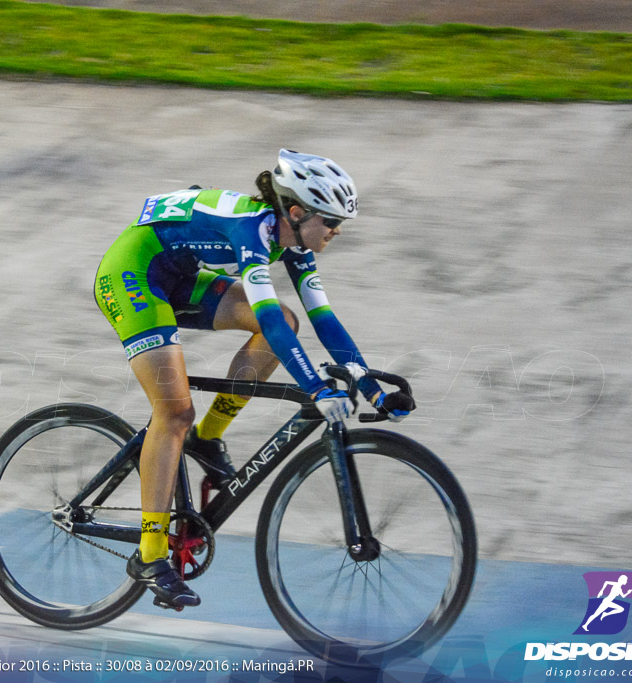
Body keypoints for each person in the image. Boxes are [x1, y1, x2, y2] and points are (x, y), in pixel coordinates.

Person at [93, 149, 416, 609]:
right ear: (298, 212)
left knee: (285, 319)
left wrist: (369, 386)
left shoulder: (295, 242)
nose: (337, 231)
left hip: (179, 276)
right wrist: (318, 389)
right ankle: (149, 556)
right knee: (174, 410)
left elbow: (322, 319)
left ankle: (208, 438)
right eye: (331, 221)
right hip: (133, 275)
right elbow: (268, 316)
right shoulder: (253, 231)